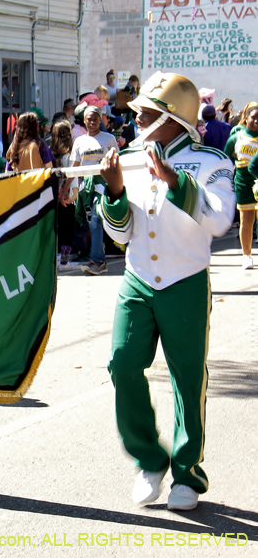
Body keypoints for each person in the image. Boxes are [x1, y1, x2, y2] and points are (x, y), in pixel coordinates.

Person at [97, 72, 234, 511]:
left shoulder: (211, 162)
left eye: (148, 114)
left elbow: (219, 222)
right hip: (138, 281)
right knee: (122, 364)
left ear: (175, 119)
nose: (138, 120)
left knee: (187, 379)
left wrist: (176, 182)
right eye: (138, 113)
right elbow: (120, 232)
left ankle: (187, 473)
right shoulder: (130, 157)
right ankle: (149, 460)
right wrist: (115, 192)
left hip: (185, 281)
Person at [68, 105, 119, 275]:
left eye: (95, 119)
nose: (92, 122)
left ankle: (97, 260)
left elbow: (116, 163)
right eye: (89, 119)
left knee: (96, 220)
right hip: (85, 188)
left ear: (100, 120)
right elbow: (73, 166)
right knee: (90, 223)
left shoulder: (109, 139)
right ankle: (97, 258)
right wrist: (66, 189)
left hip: (103, 186)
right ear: (84, 120)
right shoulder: (79, 141)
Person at [226, 104, 258, 269]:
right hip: (243, 181)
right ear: (246, 118)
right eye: (254, 117)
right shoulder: (237, 137)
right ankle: (247, 255)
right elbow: (226, 159)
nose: (257, 121)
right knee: (247, 219)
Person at [50, 121, 78, 270]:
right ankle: (65, 261)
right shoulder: (70, 155)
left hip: (53, 196)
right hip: (66, 196)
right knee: (68, 230)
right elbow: (72, 176)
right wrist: (74, 194)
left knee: (57, 229)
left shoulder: (50, 152)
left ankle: (56, 256)